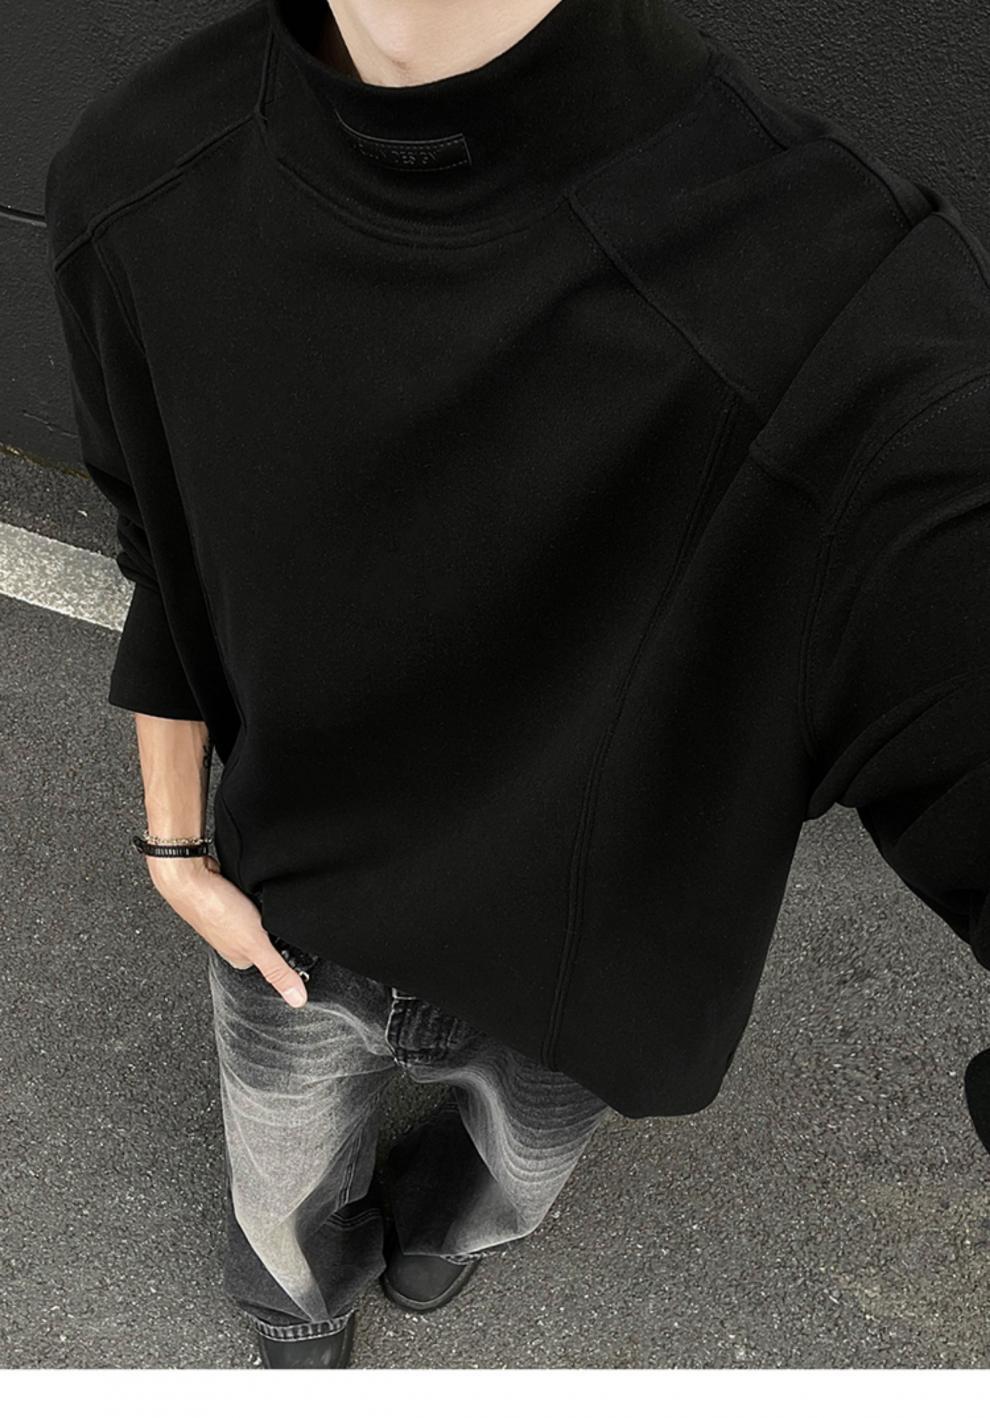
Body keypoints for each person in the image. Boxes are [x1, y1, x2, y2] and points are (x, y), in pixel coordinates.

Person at [45, 0, 990, 1371]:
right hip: (283, 922)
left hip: (573, 1001)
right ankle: (301, 1298)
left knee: (498, 1187)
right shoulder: (136, 182)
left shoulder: (842, 313)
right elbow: (158, 543)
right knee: (283, 1202)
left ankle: (444, 1231)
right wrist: (174, 846)